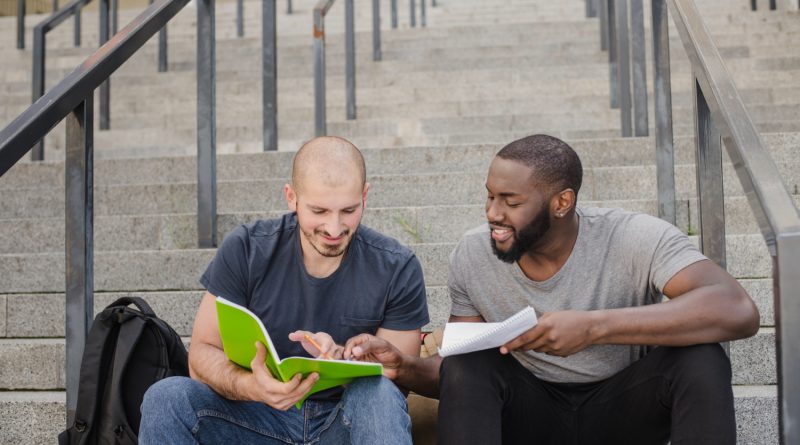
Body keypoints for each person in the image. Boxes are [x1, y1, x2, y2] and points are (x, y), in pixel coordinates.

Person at [344, 134, 760, 444]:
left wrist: (595, 327)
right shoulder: (473, 254)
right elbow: (456, 375)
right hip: (530, 417)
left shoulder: (634, 238)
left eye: (510, 200)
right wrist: (406, 367)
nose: (493, 213)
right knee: (469, 363)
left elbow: (736, 309)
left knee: (702, 357)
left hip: (624, 413)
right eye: (489, 197)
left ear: (561, 203)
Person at [139, 136, 429, 444]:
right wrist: (253, 386)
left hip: (341, 422)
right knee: (166, 397)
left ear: (365, 195)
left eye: (348, 210)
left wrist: (344, 362)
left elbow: (394, 387)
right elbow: (201, 354)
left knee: (379, 393)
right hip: (253, 416)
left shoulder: (397, 266)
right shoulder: (247, 249)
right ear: (291, 197)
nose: (334, 228)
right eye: (319, 211)